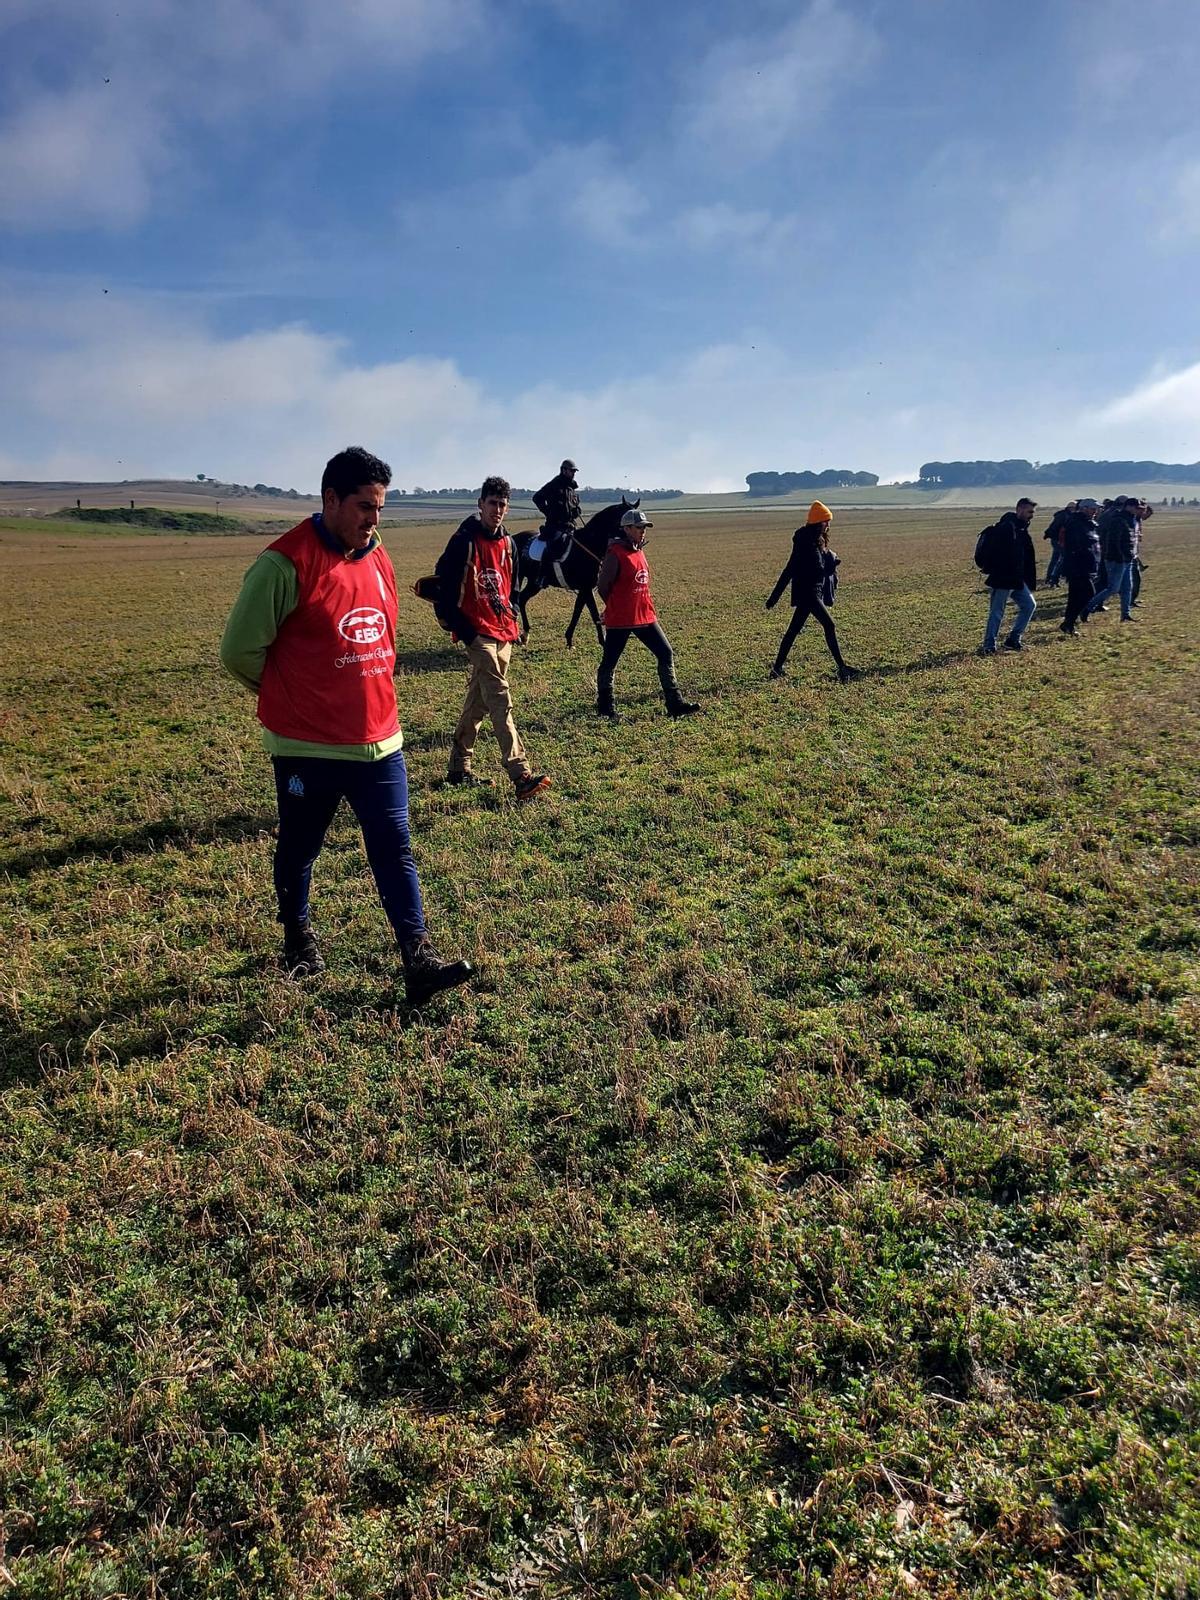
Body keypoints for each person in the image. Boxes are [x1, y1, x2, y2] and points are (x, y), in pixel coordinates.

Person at [219, 445, 473, 1004]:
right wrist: (296, 699)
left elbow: (384, 634)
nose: (373, 519)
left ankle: (418, 958)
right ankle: (298, 940)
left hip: (380, 741)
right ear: (330, 499)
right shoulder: (283, 563)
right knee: (302, 845)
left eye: (379, 507)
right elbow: (239, 651)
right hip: (307, 746)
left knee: (395, 846)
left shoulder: (378, 555)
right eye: (363, 506)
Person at [434, 476, 552, 799]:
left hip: (503, 629)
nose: (497, 510)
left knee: (479, 700)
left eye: (502, 504)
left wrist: (513, 608)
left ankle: (459, 767)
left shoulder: (509, 544)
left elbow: (511, 583)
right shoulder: (463, 541)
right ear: (480, 504)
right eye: (492, 503)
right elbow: (443, 585)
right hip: (477, 631)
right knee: (500, 696)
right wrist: (465, 629)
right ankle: (520, 773)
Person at [594, 509, 700, 720]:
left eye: (644, 528)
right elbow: (603, 586)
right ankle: (605, 708)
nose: (643, 531)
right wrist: (614, 606)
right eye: (639, 527)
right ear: (626, 529)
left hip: (644, 616)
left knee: (665, 652)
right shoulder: (615, 554)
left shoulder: (638, 550)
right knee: (609, 662)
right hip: (622, 619)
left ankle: (674, 703)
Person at [766, 501, 860, 682]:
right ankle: (842, 668)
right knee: (829, 625)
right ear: (818, 522)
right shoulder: (804, 541)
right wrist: (774, 597)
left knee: (793, 631)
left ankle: (777, 669)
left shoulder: (818, 540)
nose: (828, 525)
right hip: (808, 593)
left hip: (812, 592)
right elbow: (791, 569)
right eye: (826, 521)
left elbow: (815, 566)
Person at [978, 497, 1038, 654]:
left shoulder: (1021, 529)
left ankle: (1013, 639)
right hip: (1003, 579)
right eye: (1029, 511)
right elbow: (995, 554)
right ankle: (989, 646)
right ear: (1019, 509)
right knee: (997, 613)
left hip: (1017, 579)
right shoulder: (1006, 528)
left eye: (1033, 512)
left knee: (1029, 605)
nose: (1031, 515)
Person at [1084, 495, 1139, 622]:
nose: (1138, 510)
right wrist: (1119, 557)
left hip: (1126, 559)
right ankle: (1087, 608)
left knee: (1127, 588)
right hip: (1117, 560)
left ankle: (1125, 615)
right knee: (1113, 588)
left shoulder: (1129, 519)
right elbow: (1114, 541)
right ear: (1129, 506)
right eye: (1136, 507)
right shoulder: (1118, 520)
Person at [1058, 499, 1101, 635]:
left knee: (1075, 597)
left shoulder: (1087, 523)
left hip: (1083, 565)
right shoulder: (1076, 523)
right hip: (1077, 565)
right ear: (1083, 509)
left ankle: (1068, 624)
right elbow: (1077, 544)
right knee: (1089, 594)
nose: (1095, 511)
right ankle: (1069, 622)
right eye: (1092, 508)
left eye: (1096, 509)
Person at [530, 458, 582, 566]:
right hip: (555, 526)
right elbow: (537, 497)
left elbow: (572, 507)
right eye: (571, 471)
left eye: (574, 471)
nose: (573, 473)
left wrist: (576, 511)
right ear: (564, 470)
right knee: (553, 545)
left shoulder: (571, 488)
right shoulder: (554, 484)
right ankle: (542, 574)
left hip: (570, 526)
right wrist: (548, 512)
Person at [1042, 502, 1076, 587]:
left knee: (1056, 558)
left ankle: (1050, 578)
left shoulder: (1063, 515)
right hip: (1059, 540)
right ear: (1071, 508)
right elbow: (1056, 528)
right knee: (1062, 558)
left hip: (1057, 540)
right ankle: (1053, 578)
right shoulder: (1064, 516)